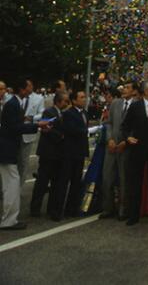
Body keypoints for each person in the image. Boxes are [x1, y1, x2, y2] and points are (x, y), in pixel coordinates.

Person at [0, 78, 48, 230]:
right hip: (6, 150)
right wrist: (37, 125)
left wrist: (28, 121)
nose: (31, 88)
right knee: (11, 186)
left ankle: (10, 219)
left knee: (11, 185)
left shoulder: (14, 103)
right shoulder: (12, 104)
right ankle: (8, 220)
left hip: (8, 150)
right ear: (22, 89)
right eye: (29, 86)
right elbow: (15, 128)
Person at [122, 80, 148, 226]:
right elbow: (125, 126)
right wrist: (128, 137)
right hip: (138, 149)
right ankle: (134, 215)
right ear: (145, 91)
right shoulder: (135, 106)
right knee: (135, 183)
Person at [100, 80, 139, 220]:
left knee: (124, 180)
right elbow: (109, 123)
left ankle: (123, 209)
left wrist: (126, 141)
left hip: (126, 147)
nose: (124, 90)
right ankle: (107, 208)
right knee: (107, 178)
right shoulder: (116, 103)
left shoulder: (138, 105)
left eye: (128, 87)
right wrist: (109, 139)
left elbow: (137, 127)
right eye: (124, 87)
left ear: (134, 91)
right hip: (111, 146)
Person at [30, 90, 69, 221]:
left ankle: (52, 208)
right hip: (48, 152)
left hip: (58, 153)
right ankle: (35, 208)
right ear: (58, 101)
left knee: (56, 182)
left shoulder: (62, 113)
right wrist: (60, 136)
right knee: (42, 181)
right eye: (65, 101)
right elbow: (47, 129)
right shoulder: (49, 112)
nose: (66, 103)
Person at [59, 89, 90, 218]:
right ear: (74, 100)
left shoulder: (85, 113)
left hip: (80, 152)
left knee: (76, 182)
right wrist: (87, 131)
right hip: (69, 152)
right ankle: (58, 210)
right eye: (81, 97)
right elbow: (71, 130)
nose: (84, 99)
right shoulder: (68, 114)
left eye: (85, 97)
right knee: (64, 181)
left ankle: (71, 209)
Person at [17, 79, 45, 185]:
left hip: (28, 134)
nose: (27, 87)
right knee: (11, 161)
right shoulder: (19, 97)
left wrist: (31, 118)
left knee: (23, 163)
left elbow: (42, 113)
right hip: (16, 133)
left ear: (32, 86)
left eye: (29, 85)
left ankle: (19, 187)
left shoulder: (39, 98)